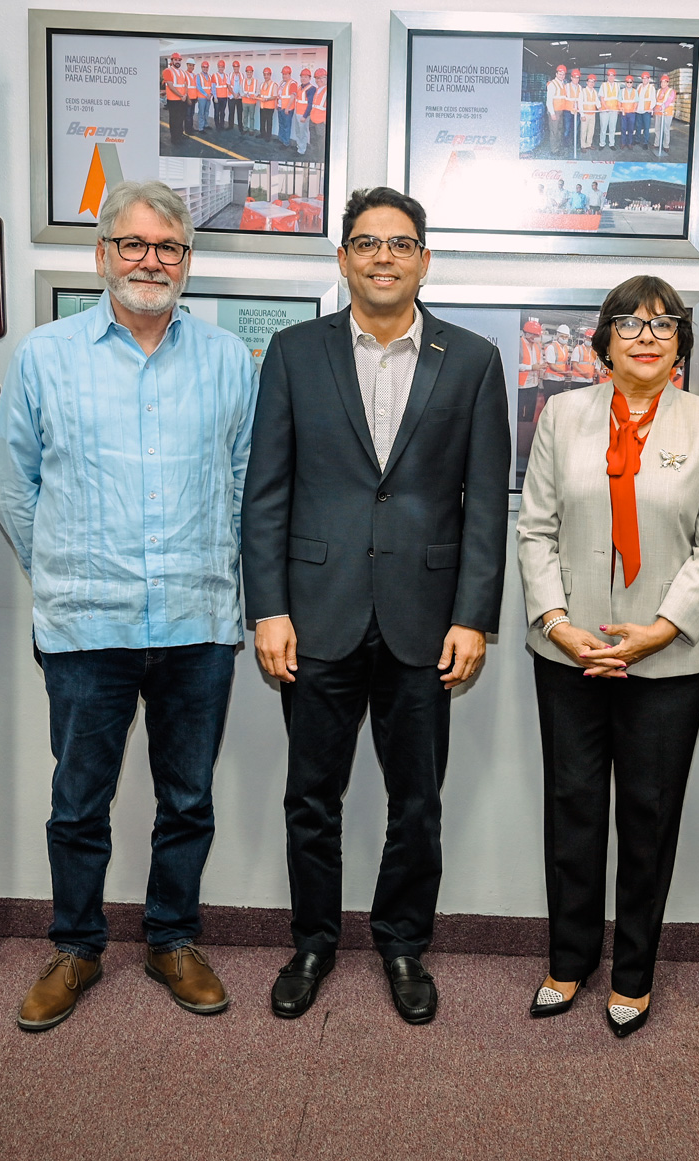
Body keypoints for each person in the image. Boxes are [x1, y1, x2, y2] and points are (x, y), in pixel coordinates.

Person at [0, 180, 257, 1031]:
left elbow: (249, 484)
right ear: (103, 255)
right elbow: (10, 486)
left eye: (168, 247)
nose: (151, 260)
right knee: (79, 802)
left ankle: (172, 938)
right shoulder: (44, 356)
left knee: (188, 799)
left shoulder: (225, 361)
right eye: (134, 244)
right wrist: (64, 568)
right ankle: (76, 946)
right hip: (85, 625)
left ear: (189, 260)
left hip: (198, 624)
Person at [243, 187, 511, 1026]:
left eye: (401, 243)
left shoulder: (472, 360)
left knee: (417, 800)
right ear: (344, 259)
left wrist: (474, 615)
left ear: (424, 258)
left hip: (425, 621)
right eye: (367, 243)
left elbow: (486, 504)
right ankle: (314, 941)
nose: (384, 257)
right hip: (313, 616)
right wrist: (268, 607)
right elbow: (267, 494)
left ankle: (402, 942)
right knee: (310, 797)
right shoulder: (293, 352)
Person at [516, 276, 699, 1039]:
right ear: (604, 340)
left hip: (667, 659)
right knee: (573, 809)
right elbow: (535, 528)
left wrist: (662, 628)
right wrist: (555, 622)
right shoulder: (562, 415)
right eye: (630, 324)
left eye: (663, 325)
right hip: (570, 651)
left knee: (647, 818)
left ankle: (635, 972)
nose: (646, 337)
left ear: (681, 342)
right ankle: (569, 958)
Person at [163, 53, 191, 147]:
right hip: (173, 100)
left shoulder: (183, 72)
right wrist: (181, 95)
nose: (177, 62)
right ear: (172, 61)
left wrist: (185, 95)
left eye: (179, 60)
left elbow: (185, 85)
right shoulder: (168, 71)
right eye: (176, 60)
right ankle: (175, 138)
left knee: (181, 118)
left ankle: (180, 134)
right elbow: (171, 86)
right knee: (174, 120)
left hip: (182, 100)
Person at [547, 64, 569, 155]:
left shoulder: (563, 84)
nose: (562, 76)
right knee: (554, 131)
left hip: (560, 111)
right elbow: (549, 100)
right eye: (560, 74)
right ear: (556, 74)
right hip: (554, 111)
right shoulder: (552, 84)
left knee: (559, 130)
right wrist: (552, 113)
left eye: (563, 74)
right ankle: (554, 150)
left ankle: (558, 147)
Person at [308, 68, 328, 160]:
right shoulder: (317, 90)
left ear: (326, 78)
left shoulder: (328, 90)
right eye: (317, 78)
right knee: (313, 140)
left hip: (321, 122)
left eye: (321, 78)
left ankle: (320, 159)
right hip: (313, 119)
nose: (319, 80)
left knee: (321, 142)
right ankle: (314, 157)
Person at [292, 68, 313, 156]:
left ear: (309, 78)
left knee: (303, 133)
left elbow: (310, 104)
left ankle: (302, 150)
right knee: (298, 132)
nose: (303, 79)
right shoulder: (300, 87)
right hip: (297, 113)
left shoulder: (311, 89)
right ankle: (299, 147)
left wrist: (305, 116)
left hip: (303, 115)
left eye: (305, 77)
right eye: (302, 77)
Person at [656, 73, 677, 156]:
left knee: (666, 129)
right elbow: (657, 101)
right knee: (657, 128)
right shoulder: (658, 91)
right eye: (662, 82)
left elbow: (668, 102)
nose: (663, 84)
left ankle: (665, 145)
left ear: (668, 83)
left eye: (665, 82)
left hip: (667, 112)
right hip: (658, 113)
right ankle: (656, 143)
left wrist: (661, 108)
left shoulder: (671, 91)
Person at [578, 71, 599, 151]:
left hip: (593, 114)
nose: (591, 83)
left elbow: (597, 102)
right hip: (585, 114)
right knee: (583, 130)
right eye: (590, 82)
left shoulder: (595, 92)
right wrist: (582, 114)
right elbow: (580, 103)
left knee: (591, 130)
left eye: (593, 82)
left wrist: (600, 107)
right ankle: (583, 146)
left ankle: (588, 144)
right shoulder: (582, 91)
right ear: (587, 82)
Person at [276, 70, 298, 146]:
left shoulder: (292, 83)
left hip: (287, 109)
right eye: (283, 74)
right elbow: (280, 95)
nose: (284, 76)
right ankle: (281, 139)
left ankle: (286, 142)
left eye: (286, 74)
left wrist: (287, 108)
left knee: (286, 126)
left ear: (290, 74)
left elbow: (292, 97)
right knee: (281, 124)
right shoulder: (282, 83)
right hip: (280, 107)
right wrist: (277, 103)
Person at [257, 67, 277, 141]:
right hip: (262, 106)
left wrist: (267, 99)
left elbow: (275, 96)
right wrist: (257, 96)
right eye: (264, 75)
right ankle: (262, 133)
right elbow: (261, 94)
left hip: (269, 107)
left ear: (270, 75)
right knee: (262, 121)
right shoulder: (262, 84)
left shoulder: (273, 85)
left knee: (269, 122)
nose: (266, 76)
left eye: (267, 75)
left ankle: (268, 136)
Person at [239, 65, 258, 135]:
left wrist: (254, 96)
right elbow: (240, 90)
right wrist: (243, 94)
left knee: (252, 117)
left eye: (250, 72)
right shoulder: (243, 81)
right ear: (246, 73)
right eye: (248, 72)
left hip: (252, 102)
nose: (249, 73)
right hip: (244, 101)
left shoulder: (256, 81)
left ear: (252, 73)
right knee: (245, 116)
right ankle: (245, 128)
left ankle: (251, 129)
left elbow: (258, 91)